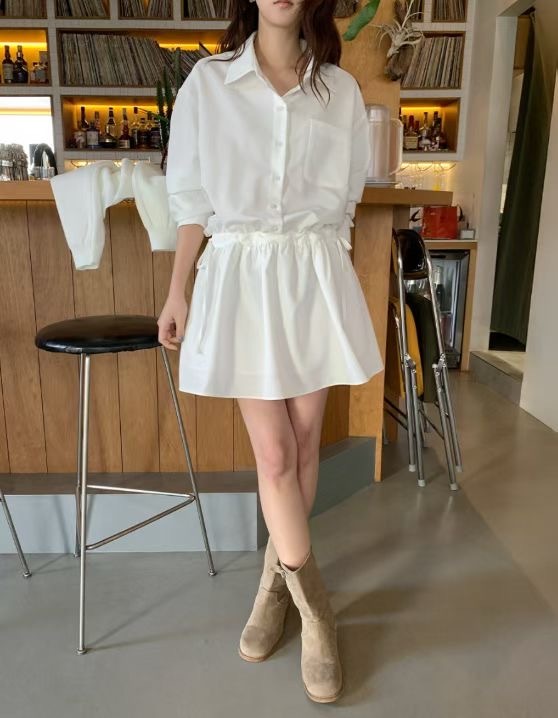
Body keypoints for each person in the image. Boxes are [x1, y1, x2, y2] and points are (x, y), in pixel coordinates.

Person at [157, 0, 383, 704]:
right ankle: (318, 614)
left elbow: (345, 204)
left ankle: (272, 587)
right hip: (242, 279)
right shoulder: (209, 83)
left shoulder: (340, 91)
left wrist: (331, 285)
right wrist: (178, 290)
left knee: (307, 445)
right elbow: (191, 202)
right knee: (277, 454)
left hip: (313, 275)